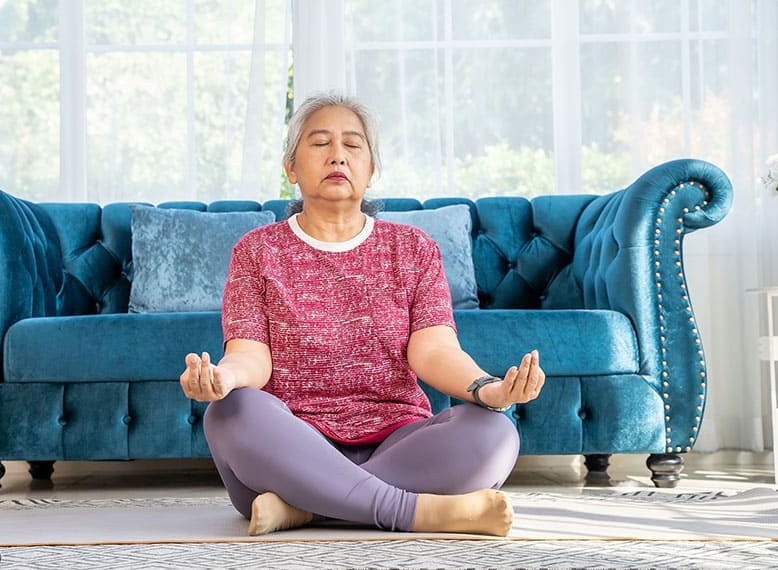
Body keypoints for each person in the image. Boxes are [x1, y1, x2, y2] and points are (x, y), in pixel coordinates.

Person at [179, 92, 545, 537]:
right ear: (291, 167)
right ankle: (416, 512)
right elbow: (251, 356)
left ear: (370, 169)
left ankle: (307, 508)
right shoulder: (257, 251)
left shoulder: (412, 248)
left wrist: (487, 388)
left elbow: (433, 351)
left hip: (399, 441)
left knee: (496, 434)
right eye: (319, 143)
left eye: (353, 145)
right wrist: (225, 378)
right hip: (290, 446)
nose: (337, 155)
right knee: (229, 412)